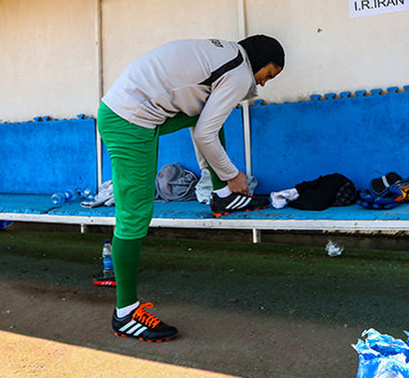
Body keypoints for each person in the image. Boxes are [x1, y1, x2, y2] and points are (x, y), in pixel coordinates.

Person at [97, 35, 284, 342]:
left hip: (131, 110)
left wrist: (223, 179)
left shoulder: (227, 56)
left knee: (210, 114)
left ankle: (221, 197)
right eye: (269, 74)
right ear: (260, 60)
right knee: (134, 215)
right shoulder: (239, 73)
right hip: (128, 119)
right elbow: (206, 136)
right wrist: (234, 176)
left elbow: (204, 124)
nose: (264, 83)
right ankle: (125, 312)